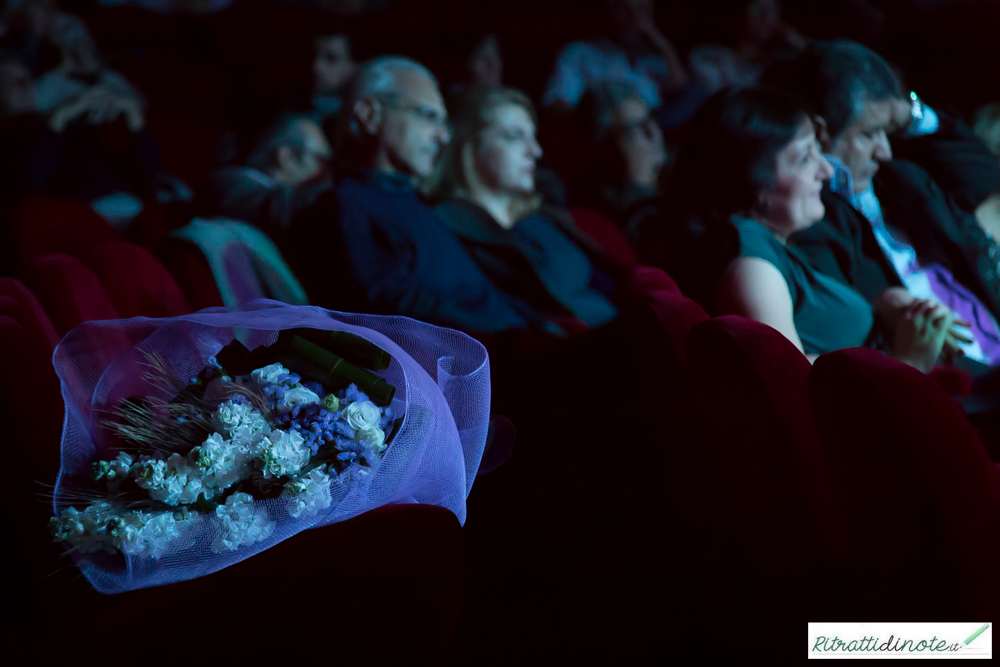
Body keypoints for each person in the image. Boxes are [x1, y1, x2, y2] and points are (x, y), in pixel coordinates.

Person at [664, 87, 951, 371]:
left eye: (818, 150)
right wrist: (909, 362)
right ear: (749, 180)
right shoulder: (751, 267)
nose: (825, 170)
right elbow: (790, 385)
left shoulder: (768, 244)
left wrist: (886, 306)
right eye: (804, 159)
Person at [760, 40, 1000, 371]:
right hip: (956, 374)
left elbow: (986, 176)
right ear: (822, 132)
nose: (884, 150)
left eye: (889, 131)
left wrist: (909, 115)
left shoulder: (901, 175)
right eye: (870, 133)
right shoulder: (810, 217)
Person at [285, 56, 539, 334]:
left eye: (446, 124)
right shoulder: (343, 207)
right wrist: (519, 338)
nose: (443, 137)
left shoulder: (413, 202)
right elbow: (393, 308)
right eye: (429, 117)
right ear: (370, 115)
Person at [427, 86, 620, 331]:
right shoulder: (442, 226)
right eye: (514, 136)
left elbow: (609, 283)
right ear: (470, 144)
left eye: (533, 137)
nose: (535, 151)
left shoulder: (542, 219)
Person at [541, 0, 703, 129]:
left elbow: (682, 90)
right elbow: (558, 105)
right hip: (608, 134)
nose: (634, 19)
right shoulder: (580, 53)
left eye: (642, 10)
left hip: (657, 130)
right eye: (624, 9)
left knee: (698, 89)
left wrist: (663, 45)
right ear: (609, 11)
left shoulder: (654, 61)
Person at [571, 80, 667, 244]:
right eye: (638, 127)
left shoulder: (676, 173)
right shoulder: (592, 203)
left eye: (651, 119)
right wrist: (640, 185)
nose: (654, 133)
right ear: (605, 144)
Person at [203, 114, 332, 236]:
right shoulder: (230, 186)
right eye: (321, 160)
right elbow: (282, 209)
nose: (325, 170)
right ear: (286, 157)